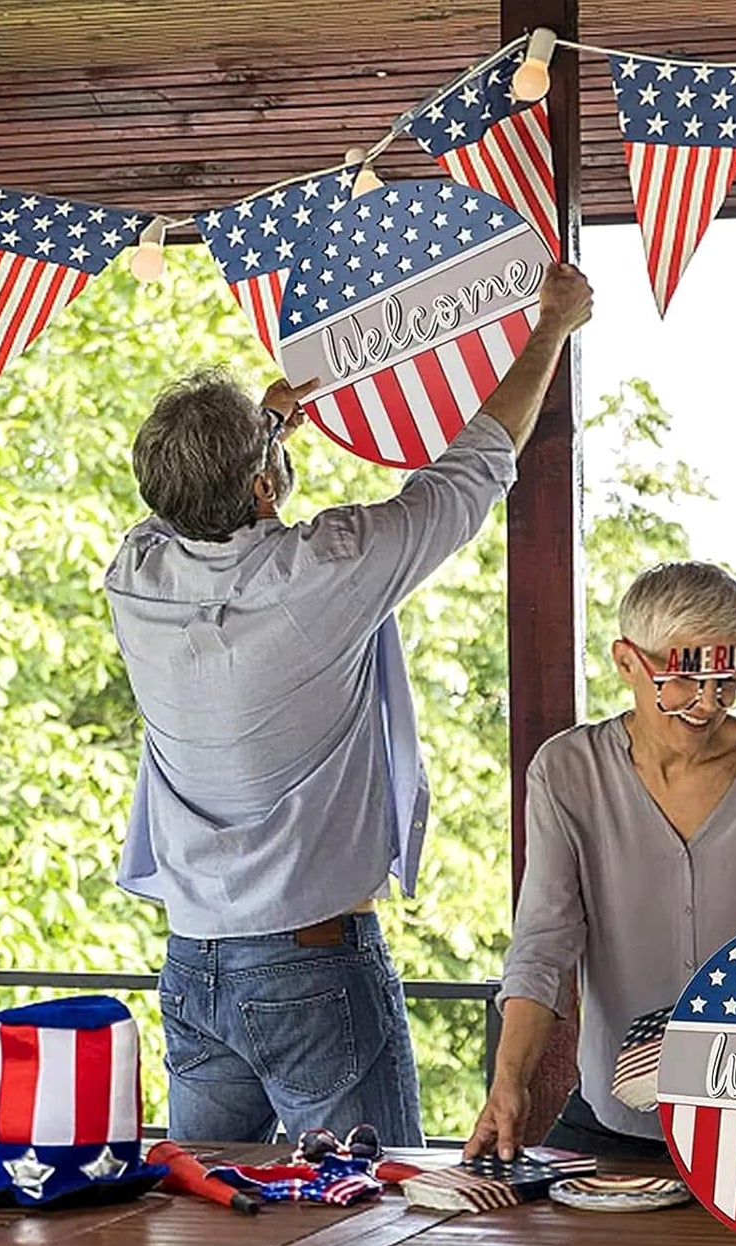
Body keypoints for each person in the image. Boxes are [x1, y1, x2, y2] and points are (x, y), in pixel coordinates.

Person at [105, 263, 594, 1147]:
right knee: (369, 1217)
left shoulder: (135, 577)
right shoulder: (327, 567)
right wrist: (550, 328)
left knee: (213, 1220)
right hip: (311, 963)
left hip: (189, 964)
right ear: (263, 489)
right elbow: (473, 468)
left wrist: (269, 427)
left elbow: (186, 508)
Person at [465, 560, 736, 1163]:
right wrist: (509, 1080)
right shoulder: (568, 772)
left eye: (725, 679)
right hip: (611, 1118)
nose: (706, 705)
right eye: (683, 680)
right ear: (628, 662)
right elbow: (544, 942)